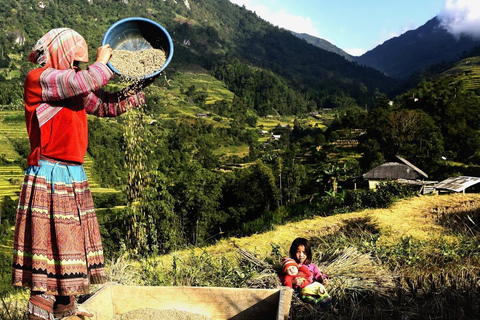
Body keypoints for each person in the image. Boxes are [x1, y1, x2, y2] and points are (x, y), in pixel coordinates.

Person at [12, 28, 154, 320]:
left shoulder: (72, 85)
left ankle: (67, 311)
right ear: (60, 53)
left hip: (73, 176)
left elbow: (104, 105)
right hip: (49, 175)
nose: (78, 66)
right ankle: (41, 313)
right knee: (49, 261)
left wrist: (138, 89)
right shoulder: (41, 79)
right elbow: (88, 78)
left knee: (70, 256)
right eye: (75, 61)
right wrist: (104, 61)